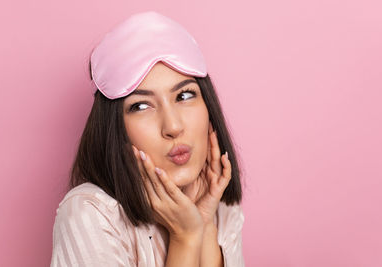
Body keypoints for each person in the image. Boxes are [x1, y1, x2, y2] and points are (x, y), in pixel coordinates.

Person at [50, 11, 244, 267]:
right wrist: (185, 237)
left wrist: (204, 224)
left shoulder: (222, 211)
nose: (173, 126)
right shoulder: (90, 215)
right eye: (141, 106)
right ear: (115, 128)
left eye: (184, 96)